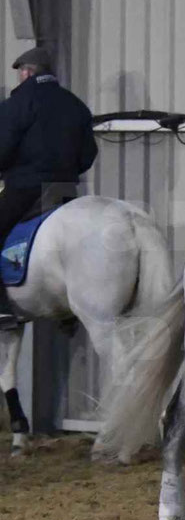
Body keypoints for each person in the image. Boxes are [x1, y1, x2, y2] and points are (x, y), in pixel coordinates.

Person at [0, 47, 97, 330]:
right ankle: (68, 311)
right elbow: (87, 155)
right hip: (64, 191)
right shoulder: (76, 106)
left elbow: (2, 150)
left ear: (27, 72)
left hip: (26, 189)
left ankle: (1, 307)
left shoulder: (16, 105)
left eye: (21, 73)